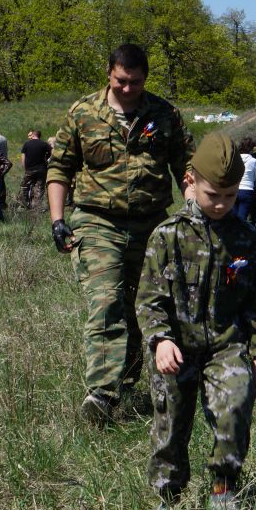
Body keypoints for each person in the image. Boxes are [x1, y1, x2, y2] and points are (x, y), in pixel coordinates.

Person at [47, 43, 196, 423]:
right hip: (97, 222)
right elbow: (60, 168)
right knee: (107, 301)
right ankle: (102, 393)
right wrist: (57, 220)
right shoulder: (83, 113)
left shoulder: (164, 114)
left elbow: (187, 168)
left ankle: (127, 380)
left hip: (151, 224)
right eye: (121, 81)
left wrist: (194, 212)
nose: (128, 89)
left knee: (142, 306)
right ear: (109, 73)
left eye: (136, 82)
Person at [137, 132, 256, 510]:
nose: (221, 204)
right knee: (170, 424)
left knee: (235, 407)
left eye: (230, 196)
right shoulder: (168, 235)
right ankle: (168, 498)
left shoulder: (246, 239)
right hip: (176, 347)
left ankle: (223, 490)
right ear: (190, 181)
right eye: (213, 194)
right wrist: (160, 340)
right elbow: (149, 298)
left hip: (226, 346)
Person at [233, 136, 256, 229]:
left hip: (234, 190)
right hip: (247, 191)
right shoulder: (253, 161)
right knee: (242, 220)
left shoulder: (234, 159)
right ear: (251, 148)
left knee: (233, 219)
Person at [20, 129, 51, 210]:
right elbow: (51, 153)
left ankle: (25, 204)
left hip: (30, 170)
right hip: (42, 170)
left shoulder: (27, 144)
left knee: (24, 187)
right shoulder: (44, 144)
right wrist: (46, 159)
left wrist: (25, 168)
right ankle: (36, 207)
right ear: (39, 136)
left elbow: (23, 157)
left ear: (33, 135)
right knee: (39, 188)